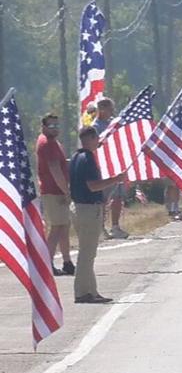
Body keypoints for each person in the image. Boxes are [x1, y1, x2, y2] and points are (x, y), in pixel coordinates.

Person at [69, 127, 126, 303]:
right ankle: (81, 292)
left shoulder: (76, 157)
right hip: (87, 209)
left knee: (88, 252)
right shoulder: (88, 159)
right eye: (96, 138)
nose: (98, 141)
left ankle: (91, 291)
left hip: (79, 207)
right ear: (91, 138)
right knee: (86, 253)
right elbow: (93, 185)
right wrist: (116, 179)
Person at [36, 113, 74, 277]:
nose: (55, 129)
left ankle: (67, 262)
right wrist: (66, 191)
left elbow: (60, 163)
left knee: (64, 227)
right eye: (51, 126)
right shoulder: (47, 143)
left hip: (56, 190)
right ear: (44, 127)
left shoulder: (54, 143)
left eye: (57, 125)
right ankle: (47, 262)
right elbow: (54, 169)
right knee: (57, 227)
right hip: (53, 191)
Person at [93, 98, 129, 239]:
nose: (111, 112)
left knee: (118, 196)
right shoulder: (96, 127)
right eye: (109, 109)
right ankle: (100, 228)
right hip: (103, 166)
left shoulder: (113, 124)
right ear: (101, 109)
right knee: (103, 198)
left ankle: (115, 226)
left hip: (116, 164)